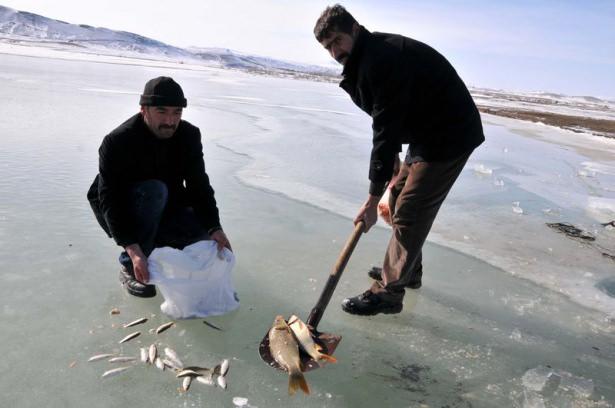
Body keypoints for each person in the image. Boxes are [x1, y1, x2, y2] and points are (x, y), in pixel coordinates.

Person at [314, 5, 484, 315]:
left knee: (410, 210)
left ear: (354, 29)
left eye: (337, 40)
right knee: (396, 200)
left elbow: (385, 125)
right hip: (426, 130)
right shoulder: (365, 58)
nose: (335, 52)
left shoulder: (382, 58)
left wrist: (371, 200)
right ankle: (408, 272)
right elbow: (387, 117)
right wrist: (391, 155)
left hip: (450, 135)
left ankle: (389, 292)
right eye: (328, 47)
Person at [87, 76, 231, 298]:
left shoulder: (189, 135)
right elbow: (109, 198)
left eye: (177, 113)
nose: (170, 121)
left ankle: (155, 243)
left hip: (165, 201)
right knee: (155, 191)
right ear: (143, 110)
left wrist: (214, 227)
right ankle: (129, 265)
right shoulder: (117, 141)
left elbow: (199, 184)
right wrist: (132, 249)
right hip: (124, 204)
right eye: (162, 112)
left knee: (203, 239)